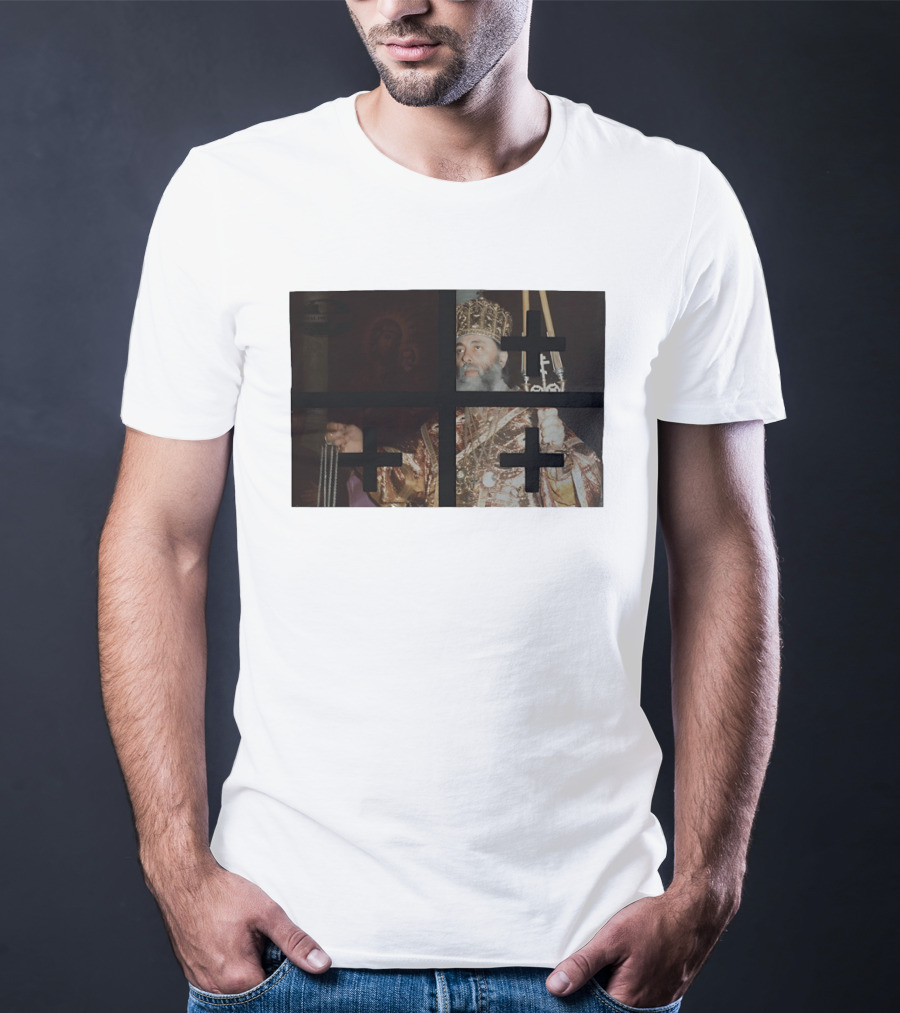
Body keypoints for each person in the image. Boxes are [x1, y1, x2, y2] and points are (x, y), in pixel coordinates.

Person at [97, 1, 785, 1010]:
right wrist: (175, 863)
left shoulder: (673, 203)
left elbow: (723, 544)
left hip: (586, 954)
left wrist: (711, 879)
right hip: (298, 953)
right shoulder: (232, 198)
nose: (400, 4)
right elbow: (157, 539)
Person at [326, 292, 604, 506]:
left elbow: (587, 486)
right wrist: (363, 448)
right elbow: (407, 476)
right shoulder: (443, 426)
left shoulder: (533, 416)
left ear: (502, 357)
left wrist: (556, 452)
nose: (465, 357)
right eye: (459, 349)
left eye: (477, 347)